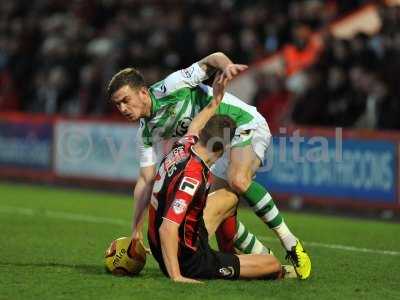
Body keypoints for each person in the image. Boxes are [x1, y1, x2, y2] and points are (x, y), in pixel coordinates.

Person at [107, 52, 311, 279]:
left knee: (238, 180)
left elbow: (212, 59)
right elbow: (145, 180)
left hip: (241, 122)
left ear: (143, 92)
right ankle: (265, 259)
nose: (123, 109)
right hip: (214, 145)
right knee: (211, 214)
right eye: (118, 105)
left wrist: (227, 66)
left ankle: (292, 244)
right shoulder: (145, 133)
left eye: (126, 100)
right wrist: (135, 229)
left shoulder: (172, 86)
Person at [148, 73, 293, 282]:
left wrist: (216, 99)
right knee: (271, 265)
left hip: (171, 243)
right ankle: (227, 260)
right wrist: (176, 275)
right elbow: (168, 228)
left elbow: (195, 125)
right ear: (223, 148)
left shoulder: (184, 145)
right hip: (188, 258)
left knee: (230, 197)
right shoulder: (193, 177)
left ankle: (229, 249)